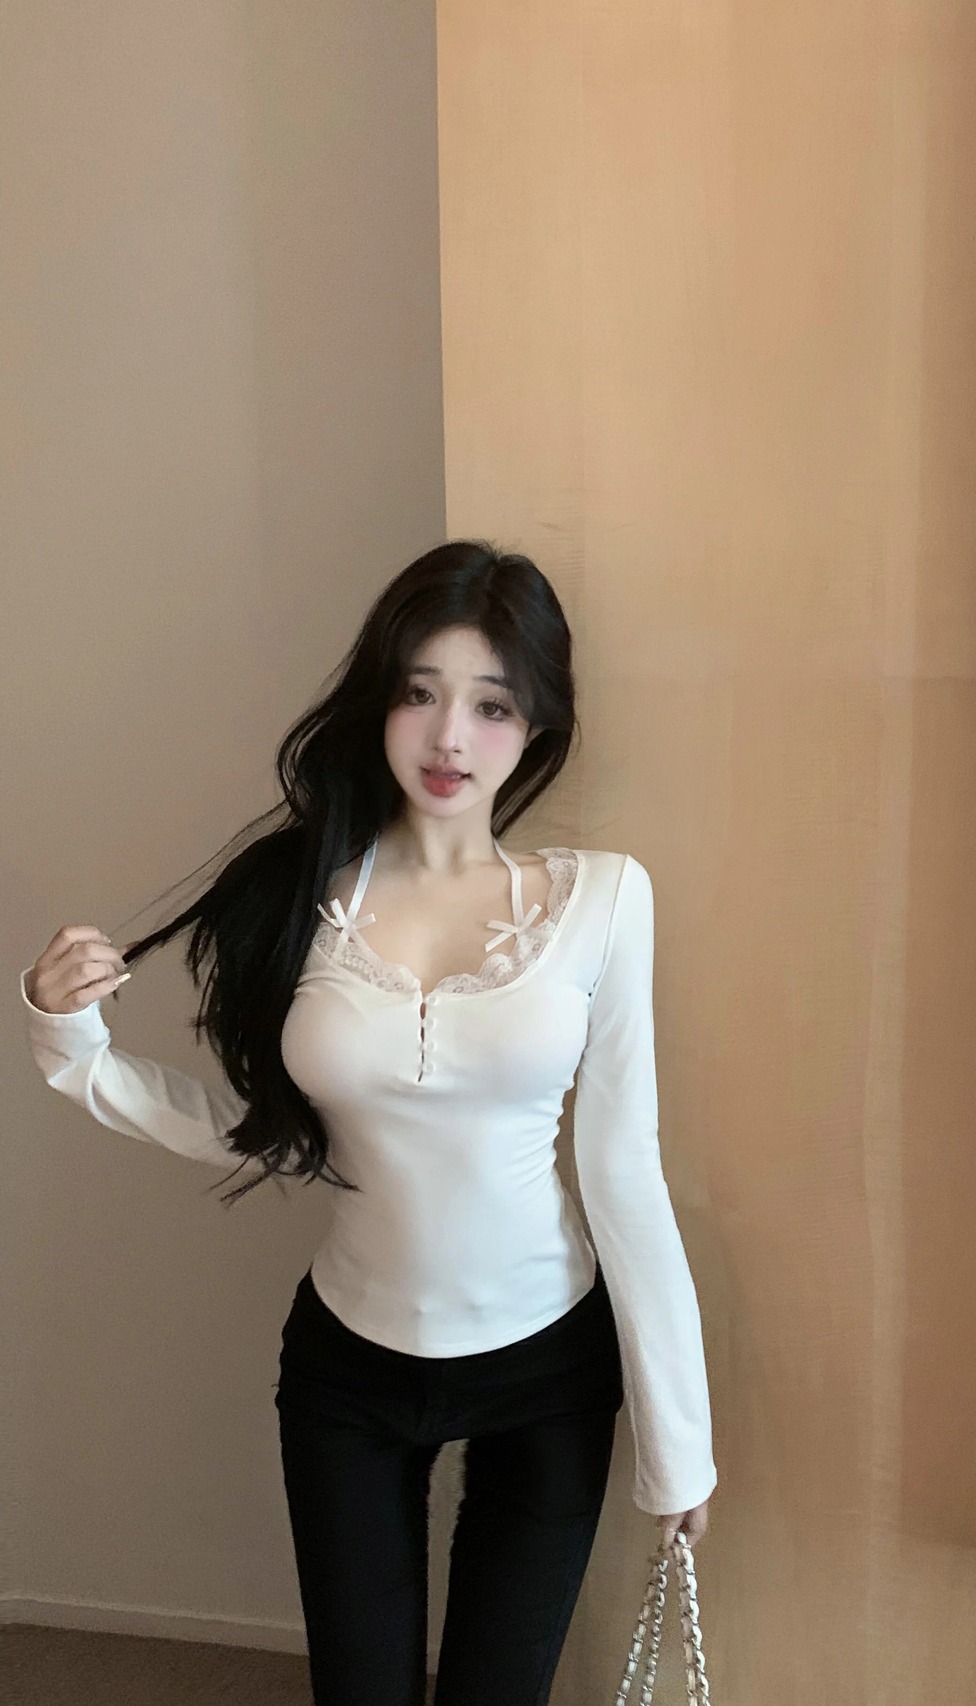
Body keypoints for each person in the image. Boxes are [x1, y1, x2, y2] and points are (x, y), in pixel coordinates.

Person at [19, 539, 717, 1706]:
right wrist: (68, 1039)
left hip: (546, 1365)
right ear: (378, 699)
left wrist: (676, 1437)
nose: (449, 737)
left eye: (491, 704)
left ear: (537, 724)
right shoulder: (300, 893)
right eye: (419, 691)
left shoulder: (602, 897)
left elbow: (620, 1168)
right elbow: (251, 1131)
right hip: (348, 1363)